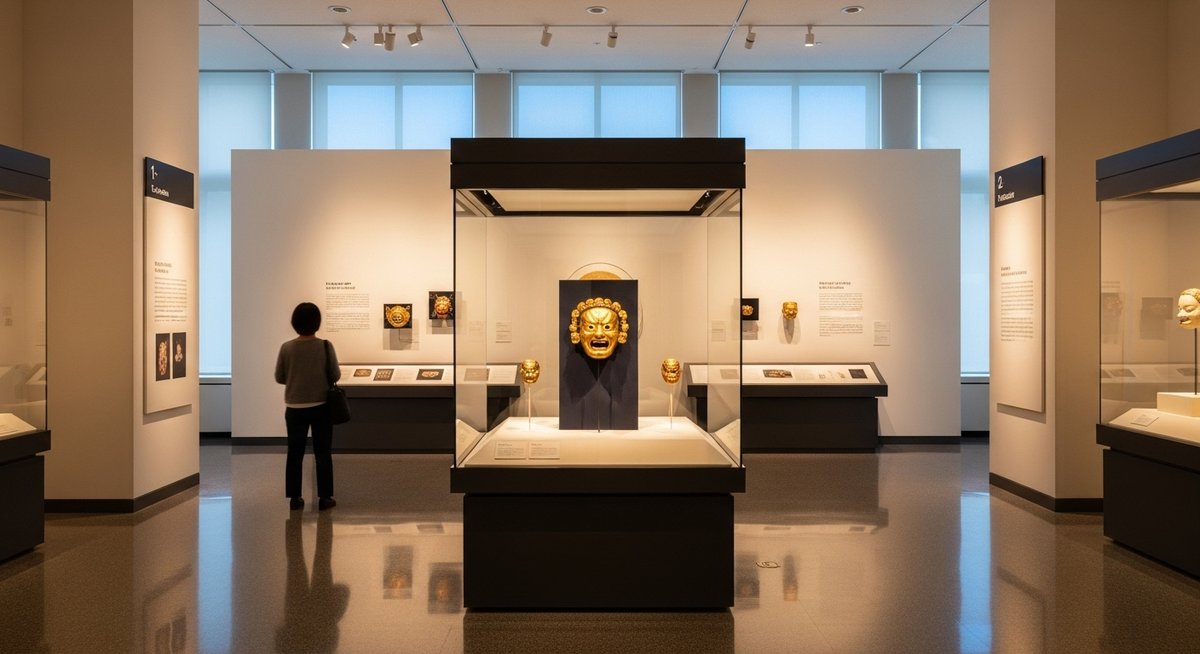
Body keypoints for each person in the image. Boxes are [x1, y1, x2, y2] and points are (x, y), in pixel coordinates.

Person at [275, 302, 340, 511]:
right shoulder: (325, 346)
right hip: (321, 405)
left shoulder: (286, 348)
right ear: (317, 322)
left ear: (294, 323)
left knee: (294, 453)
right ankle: (325, 497)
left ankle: (295, 498)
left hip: (294, 407)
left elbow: (279, 377)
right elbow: (335, 374)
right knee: (323, 453)